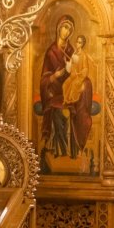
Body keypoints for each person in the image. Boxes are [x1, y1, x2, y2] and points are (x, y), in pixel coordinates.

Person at [38, 15, 75, 158]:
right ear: (59, 28)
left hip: (68, 91)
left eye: (69, 29)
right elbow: (44, 80)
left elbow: (76, 72)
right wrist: (55, 76)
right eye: (64, 28)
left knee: (69, 112)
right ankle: (61, 151)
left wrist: (71, 71)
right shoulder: (51, 52)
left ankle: (68, 150)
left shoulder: (71, 51)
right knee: (58, 113)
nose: (66, 32)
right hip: (53, 92)